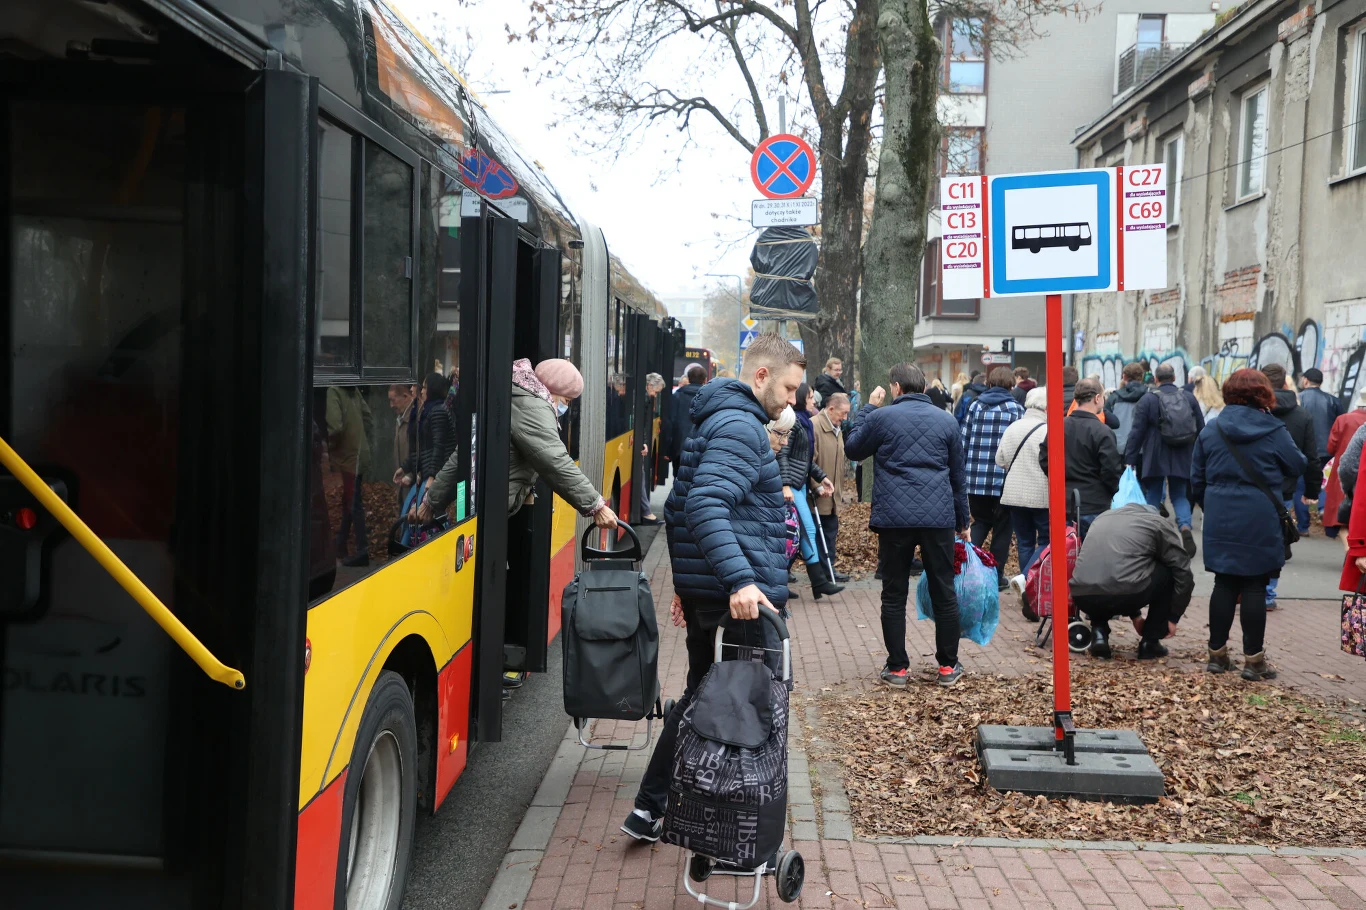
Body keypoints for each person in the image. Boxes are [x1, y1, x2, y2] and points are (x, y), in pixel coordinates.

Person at [620, 333, 804, 843]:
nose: (792, 402)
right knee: (745, 708)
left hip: (715, 594)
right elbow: (701, 508)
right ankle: (734, 827)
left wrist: (687, 585)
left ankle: (651, 808)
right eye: (789, 389)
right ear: (762, 376)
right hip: (739, 604)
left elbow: (678, 510)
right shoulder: (742, 428)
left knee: (702, 695)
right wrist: (739, 581)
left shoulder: (716, 419)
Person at [844, 362, 971, 689]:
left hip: (894, 518)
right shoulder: (947, 421)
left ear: (896, 387)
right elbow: (958, 477)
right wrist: (963, 521)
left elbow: (853, 447)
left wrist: (868, 407)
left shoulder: (881, 418)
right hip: (938, 517)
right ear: (924, 385)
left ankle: (898, 667)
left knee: (894, 593)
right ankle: (948, 666)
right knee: (944, 590)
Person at [1191, 368, 1305, 680]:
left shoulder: (1211, 430)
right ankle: (1254, 661)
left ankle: (1217, 656)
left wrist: (1211, 503)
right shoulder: (1273, 429)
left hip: (1220, 514)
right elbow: (1297, 463)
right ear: (1263, 396)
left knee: (1224, 583)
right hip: (1259, 514)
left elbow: (1196, 479)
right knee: (1255, 584)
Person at [422, 359, 619, 528]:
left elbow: (462, 456)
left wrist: (431, 502)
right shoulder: (534, 408)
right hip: (490, 512)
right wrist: (596, 506)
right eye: (567, 400)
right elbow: (555, 462)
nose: (565, 407)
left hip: (480, 507)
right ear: (553, 390)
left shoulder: (517, 395)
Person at [1071, 502, 1193, 659]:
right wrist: (1173, 617)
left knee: (1103, 573)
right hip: (1126, 592)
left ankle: (1099, 632)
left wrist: (1136, 617)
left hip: (1082, 595)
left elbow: (1117, 567)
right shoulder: (1156, 522)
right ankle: (1150, 641)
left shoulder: (1102, 518)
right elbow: (1183, 572)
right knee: (1169, 571)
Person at [1125, 364, 1203, 557]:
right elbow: (1201, 427)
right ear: (1175, 377)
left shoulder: (1148, 400)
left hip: (1155, 452)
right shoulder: (1189, 397)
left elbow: (1137, 432)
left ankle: (1152, 535)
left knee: (1153, 492)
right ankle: (1185, 528)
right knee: (1179, 494)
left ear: (1156, 379)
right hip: (1183, 452)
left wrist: (1130, 459)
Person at [960, 366, 1025, 587]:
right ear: (1011, 385)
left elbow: (963, 441)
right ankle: (996, 577)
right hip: (1004, 480)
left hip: (976, 480)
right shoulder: (1016, 410)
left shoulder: (975, 406)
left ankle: (965, 568)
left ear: (988, 383)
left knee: (980, 522)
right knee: (1003, 528)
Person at [1262, 363, 1320, 605]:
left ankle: (1248, 587)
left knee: (1251, 537)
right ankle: (1267, 593)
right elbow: (1311, 457)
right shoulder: (1302, 416)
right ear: (1286, 384)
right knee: (1276, 539)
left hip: (1252, 485)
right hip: (1284, 488)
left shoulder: (1256, 411)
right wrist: (1311, 490)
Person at [779, 383, 843, 596]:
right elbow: (783, 455)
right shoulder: (793, 421)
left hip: (798, 484)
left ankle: (811, 583)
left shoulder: (803, 422)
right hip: (793, 486)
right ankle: (817, 582)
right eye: (809, 397)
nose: (814, 400)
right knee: (805, 531)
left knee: (797, 534)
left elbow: (803, 459)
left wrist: (821, 476)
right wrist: (786, 485)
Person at [1039, 378, 1123, 540]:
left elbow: (1044, 459)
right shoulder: (1103, 432)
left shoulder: (1059, 427)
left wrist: (1059, 480)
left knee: (1065, 557)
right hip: (1094, 504)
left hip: (1063, 502)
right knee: (1092, 556)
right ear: (1097, 398)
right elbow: (1111, 469)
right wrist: (1110, 491)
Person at [995, 387, 1049, 579]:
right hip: (1041, 497)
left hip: (1014, 496)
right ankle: (1027, 579)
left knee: (1024, 542)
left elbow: (1000, 460)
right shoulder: (1048, 430)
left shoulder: (1013, 427)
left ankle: (1025, 584)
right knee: (1047, 540)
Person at [327, 385, 375, 567]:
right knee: (350, 499)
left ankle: (363, 550)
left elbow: (335, 427)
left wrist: (329, 448)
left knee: (353, 503)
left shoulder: (333, 391)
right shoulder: (353, 390)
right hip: (360, 454)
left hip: (348, 458)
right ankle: (340, 544)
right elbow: (368, 418)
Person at [812, 391, 851, 578]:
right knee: (818, 534)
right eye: (843, 413)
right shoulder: (814, 427)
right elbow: (807, 462)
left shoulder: (836, 428)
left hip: (832, 494)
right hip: (818, 494)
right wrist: (816, 486)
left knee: (829, 531)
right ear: (831, 409)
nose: (845, 418)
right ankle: (824, 572)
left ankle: (828, 570)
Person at [395, 373, 454, 491]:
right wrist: (405, 467)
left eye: (425, 387)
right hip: (429, 473)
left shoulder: (438, 412)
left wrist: (432, 476)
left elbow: (438, 447)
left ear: (432, 390)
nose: (421, 391)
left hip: (436, 477)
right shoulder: (430, 411)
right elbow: (424, 450)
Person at [1298, 367, 1341, 530]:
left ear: (1306, 380)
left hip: (1303, 449)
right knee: (1325, 482)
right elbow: (1340, 424)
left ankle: (1303, 526)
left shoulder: (1299, 399)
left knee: (1301, 485)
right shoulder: (1333, 400)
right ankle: (1323, 509)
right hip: (1326, 450)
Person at [1324, 389, 1366, 539]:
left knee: (1344, 515)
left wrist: (1347, 487)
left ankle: (1350, 548)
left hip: (1349, 476)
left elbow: (1331, 447)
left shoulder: (1343, 419)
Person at [665, 363, 707, 477]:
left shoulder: (677, 396)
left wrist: (668, 450)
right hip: (702, 449)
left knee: (679, 480)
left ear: (688, 379)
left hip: (680, 448)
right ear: (705, 380)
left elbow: (669, 423)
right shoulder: (709, 398)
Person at [638, 372, 666, 523]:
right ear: (649, 386)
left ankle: (646, 511)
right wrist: (642, 442)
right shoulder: (643, 399)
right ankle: (646, 512)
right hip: (638, 444)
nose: (655, 395)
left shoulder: (643, 397)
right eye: (655, 392)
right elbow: (640, 424)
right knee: (641, 476)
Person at [1105, 362, 1148, 454]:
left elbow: (1105, 423)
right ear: (1142, 377)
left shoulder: (1113, 398)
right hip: (1143, 448)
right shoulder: (1149, 397)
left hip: (1118, 448)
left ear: (1124, 377)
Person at [388, 383, 417, 501]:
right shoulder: (401, 418)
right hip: (403, 483)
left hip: (413, 484)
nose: (391, 405)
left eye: (393, 400)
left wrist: (411, 475)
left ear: (405, 396)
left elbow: (422, 451)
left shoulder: (416, 418)